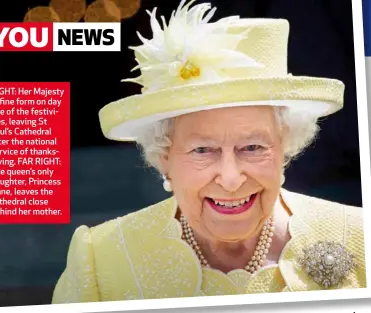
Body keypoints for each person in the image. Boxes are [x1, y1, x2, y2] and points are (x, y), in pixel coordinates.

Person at [52, 0, 365, 303]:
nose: (230, 179)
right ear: (164, 156)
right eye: (203, 150)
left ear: (285, 145)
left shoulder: (360, 236)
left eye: (252, 147)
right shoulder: (101, 262)